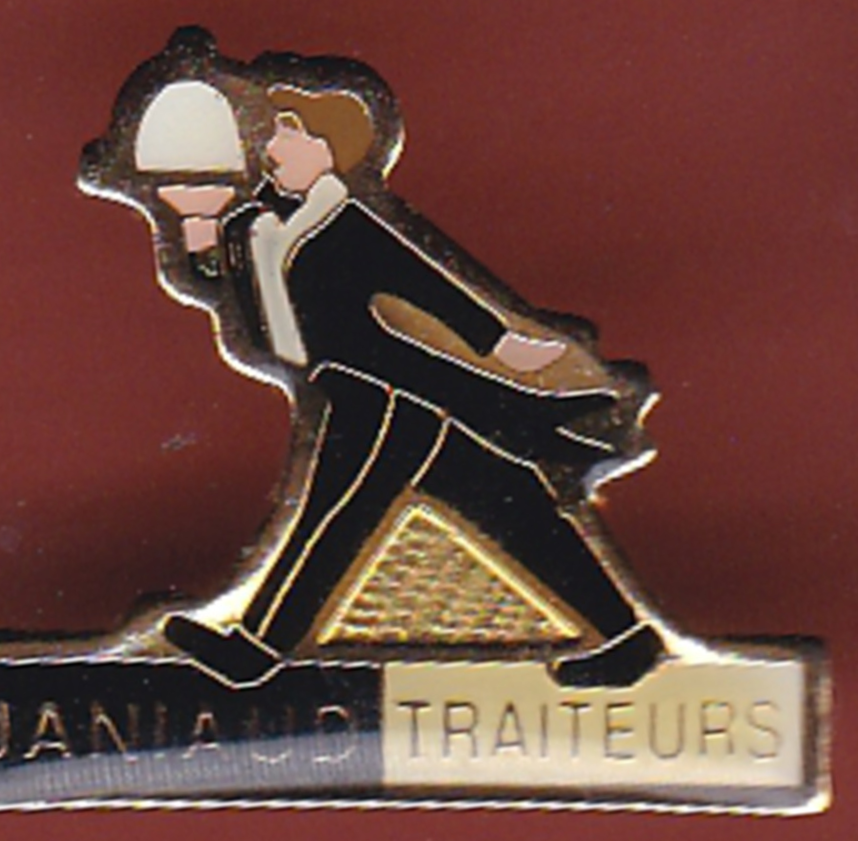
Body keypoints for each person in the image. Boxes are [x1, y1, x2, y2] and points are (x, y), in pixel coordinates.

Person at [163, 85, 664, 688]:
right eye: (277, 135)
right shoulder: (260, 223)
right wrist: (197, 227)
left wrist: (498, 343)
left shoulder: (348, 225)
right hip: (390, 398)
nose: (273, 146)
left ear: (329, 150)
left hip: (382, 393)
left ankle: (257, 649)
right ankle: (628, 641)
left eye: (291, 134)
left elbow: (425, 287)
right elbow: (227, 281)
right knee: (514, 504)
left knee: (336, 516)